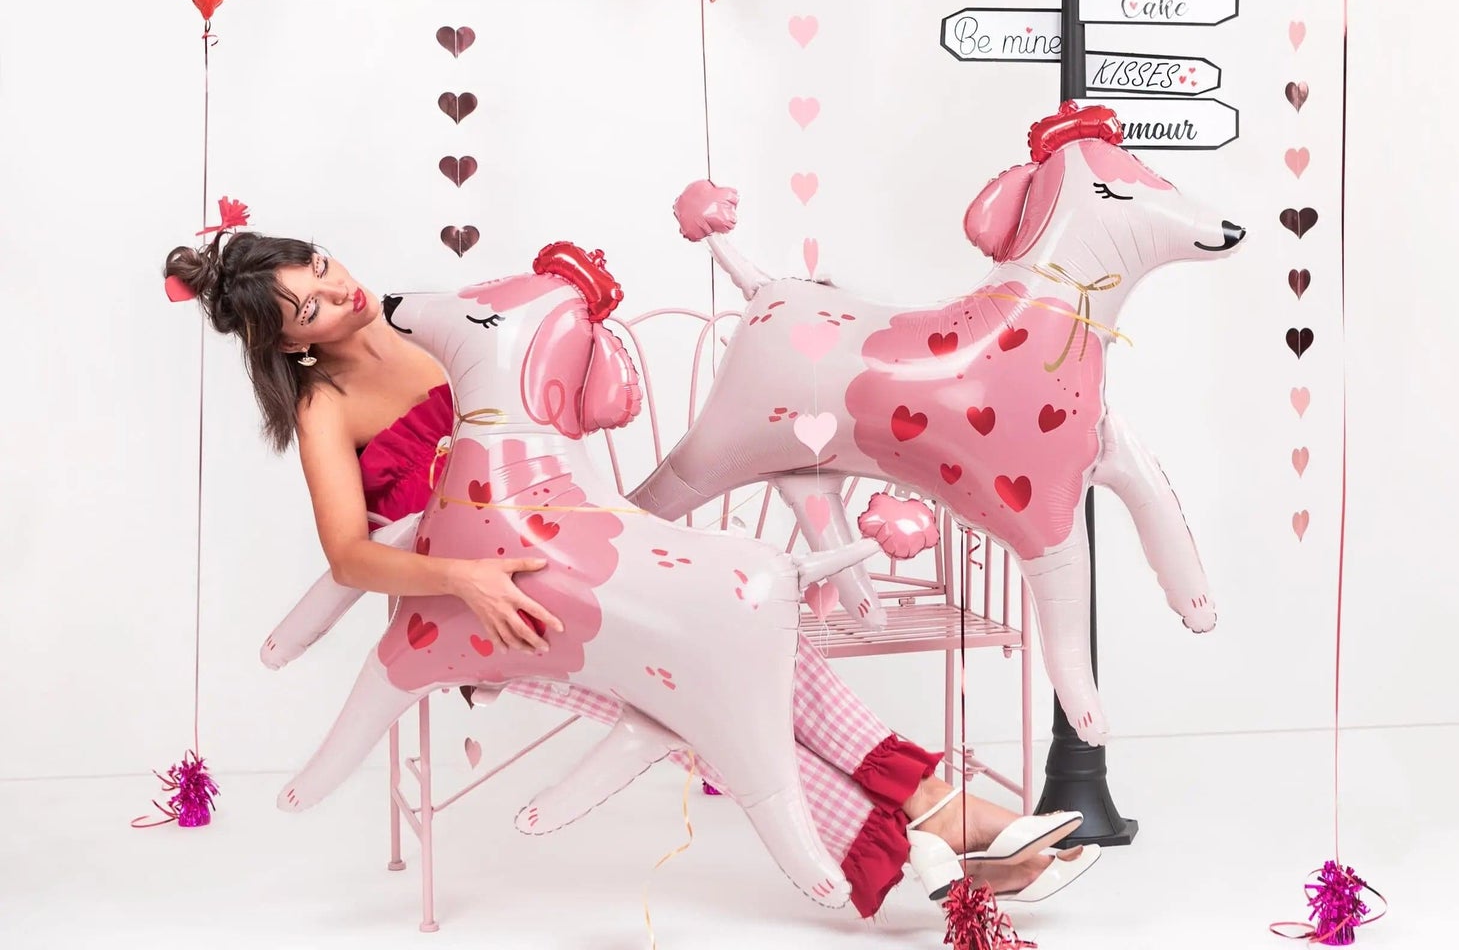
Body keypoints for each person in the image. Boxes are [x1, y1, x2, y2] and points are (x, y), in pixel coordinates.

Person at [164, 225, 1099, 916]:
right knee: (697, 687)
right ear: (291, 342)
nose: (341, 291)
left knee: (744, 642)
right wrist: (468, 582)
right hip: (492, 612)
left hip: (586, 553)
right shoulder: (326, 405)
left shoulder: (440, 326)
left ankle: (935, 829)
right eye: (312, 306)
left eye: (323, 267)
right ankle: (943, 825)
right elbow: (350, 556)